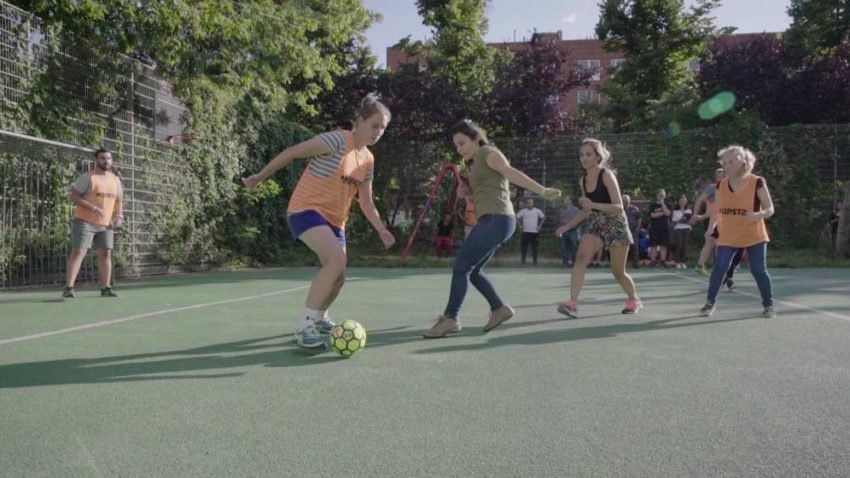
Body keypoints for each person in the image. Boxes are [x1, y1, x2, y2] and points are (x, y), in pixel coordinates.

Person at [242, 94, 395, 350]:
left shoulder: (367, 160)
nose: (379, 132)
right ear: (360, 121)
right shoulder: (335, 140)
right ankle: (305, 328)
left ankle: (321, 317)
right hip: (306, 210)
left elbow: (366, 202)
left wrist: (381, 229)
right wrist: (259, 177)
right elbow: (291, 153)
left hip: (336, 221)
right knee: (336, 261)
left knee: (339, 275)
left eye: (383, 128)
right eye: (375, 125)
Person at [423, 120, 561, 338]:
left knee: (461, 266)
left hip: (497, 220)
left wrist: (541, 190)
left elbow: (511, 173)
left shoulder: (489, 152)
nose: (459, 149)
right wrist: (467, 192)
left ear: (476, 139)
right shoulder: (475, 163)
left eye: (462, 143)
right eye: (456, 146)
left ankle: (450, 318)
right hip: (493, 220)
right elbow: (487, 193)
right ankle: (499, 309)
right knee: (474, 271)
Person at [555, 138, 641, 317]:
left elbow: (618, 206)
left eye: (588, 154)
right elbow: (587, 210)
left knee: (618, 272)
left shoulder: (607, 175)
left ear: (597, 157)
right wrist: (567, 226)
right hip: (596, 222)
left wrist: (593, 203)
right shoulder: (583, 180)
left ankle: (634, 299)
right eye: (581, 155)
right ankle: (572, 303)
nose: (584, 158)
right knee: (581, 257)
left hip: (616, 222)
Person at [700, 145, 776, 318]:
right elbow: (718, 211)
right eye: (724, 162)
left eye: (731, 162)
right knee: (720, 267)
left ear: (743, 162)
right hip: (728, 235)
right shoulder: (720, 185)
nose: (727, 165)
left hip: (753, 235)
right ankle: (709, 303)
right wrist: (712, 228)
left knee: (758, 269)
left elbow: (770, 208)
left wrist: (759, 214)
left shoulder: (756, 182)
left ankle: (769, 305)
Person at [63, 148, 123, 298]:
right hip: (85, 221)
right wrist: (93, 208)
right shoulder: (88, 177)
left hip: (106, 223)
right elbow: (74, 196)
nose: (106, 161)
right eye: (103, 158)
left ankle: (106, 287)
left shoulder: (115, 180)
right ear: (97, 160)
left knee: (105, 253)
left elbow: (118, 200)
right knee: (79, 251)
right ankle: (69, 288)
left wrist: (119, 216)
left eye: (108, 158)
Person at [691, 168, 726, 275]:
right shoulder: (713, 188)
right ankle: (703, 265)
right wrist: (695, 215)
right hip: (715, 220)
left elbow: (713, 210)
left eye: (723, 176)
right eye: (718, 176)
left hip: (724, 221)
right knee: (712, 242)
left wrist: (701, 217)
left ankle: (701, 265)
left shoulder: (729, 190)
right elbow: (703, 203)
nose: (721, 178)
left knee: (713, 244)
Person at [516, 198, 545, 265]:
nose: (529, 204)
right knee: (524, 248)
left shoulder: (537, 211)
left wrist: (539, 226)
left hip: (535, 233)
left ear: (533, 203)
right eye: (528, 203)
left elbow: (543, 217)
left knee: (535, 248)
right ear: (526, 204)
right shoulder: (523, 211)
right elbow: (516, 217)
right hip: (525, 232)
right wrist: (520, 225)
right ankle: (523, 262)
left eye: (531, 202)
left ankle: (535, 262)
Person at [647, 189, 671, 268]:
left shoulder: (667, 204)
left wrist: (662, 204)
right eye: (660, 195)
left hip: (664, 228)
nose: (661, 196)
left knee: (663, 245)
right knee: (654, 245)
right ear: (657, 195)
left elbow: (668, 213)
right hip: (655, 228)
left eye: (663, 195)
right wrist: (663, 213)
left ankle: (663, 261)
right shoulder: (652, 205)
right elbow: (652, 215)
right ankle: (653, 261)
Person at [557, 196, 581, 267]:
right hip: (563, 231)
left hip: (573, 231)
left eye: (566, 200)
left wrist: (576, 226)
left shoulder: (576, 210)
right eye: (564, 200)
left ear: (570, 201)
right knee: (564, 247)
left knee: (574, 246)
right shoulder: (561, 210)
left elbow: (580, 219)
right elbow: (558, 220)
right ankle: (565, 262)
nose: (565, 201)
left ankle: (574, 262)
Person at [671, 194, 693, 269]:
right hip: (678, 229)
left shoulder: (689, 210)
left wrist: (687, 220)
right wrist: (680, 219)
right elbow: (673, 222)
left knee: (685, 246)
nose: (682, 202)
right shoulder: (675, 211)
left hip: (687, 228)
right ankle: (677, 261)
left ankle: (684, 262)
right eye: (681, 200)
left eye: (684, 200)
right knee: (679, 245)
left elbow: (691, 221)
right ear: (678, 202)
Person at [623, 194, 642, 268]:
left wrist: (638, 227)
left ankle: (636, 263)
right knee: (623, 247)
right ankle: (623, 264)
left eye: (627, 200)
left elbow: (639, 218)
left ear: (629, 200)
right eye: (624, 200)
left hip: (633, 231)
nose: (626, 201)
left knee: (635, 247)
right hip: (623, 231)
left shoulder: (635, 208)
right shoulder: (620, 209)